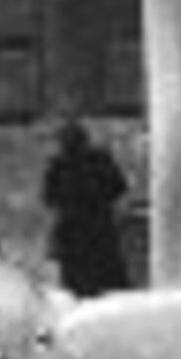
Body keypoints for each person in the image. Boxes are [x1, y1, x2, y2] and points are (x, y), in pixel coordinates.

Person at [41, 118, 133, 299]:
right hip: (100, 232)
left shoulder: (59, 166)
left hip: (73, 237)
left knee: (77, 289)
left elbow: (49, 200)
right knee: (108, 286)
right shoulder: (100, 160)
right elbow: (119, 189)